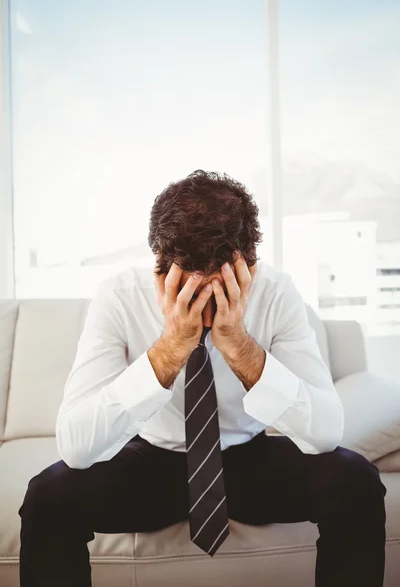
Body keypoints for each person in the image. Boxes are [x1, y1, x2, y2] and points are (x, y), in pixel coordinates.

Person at [18, 169, 386, 586]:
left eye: (221, 286)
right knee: (48, 495)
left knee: (355, 480)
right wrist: (171, 347)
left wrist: (239, 344)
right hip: (152, 460)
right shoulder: (118, 297)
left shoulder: (278, 294)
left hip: (247, 458)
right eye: (193, 289)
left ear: (249, 264)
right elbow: (76, 447)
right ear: (159, 263)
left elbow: (323, 434)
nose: (208, 306)